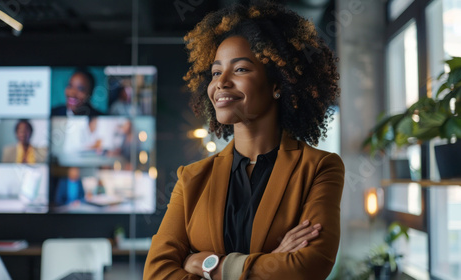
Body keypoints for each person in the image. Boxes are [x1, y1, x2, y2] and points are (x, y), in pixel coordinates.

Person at [143, 2, 344, 280]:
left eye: (240, 70)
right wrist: (272, 262)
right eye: (216, 72)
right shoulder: (192, 179)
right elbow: (156, 273)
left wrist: (207, 265)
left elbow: (309, 266)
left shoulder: (319, 168)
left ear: (278, 84)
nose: (221, 82)